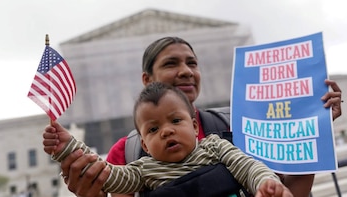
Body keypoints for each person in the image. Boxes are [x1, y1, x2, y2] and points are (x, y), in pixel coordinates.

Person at [52, 37, 343, 197]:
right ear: (147, 79)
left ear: (192, 124)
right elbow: (110, 177)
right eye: (171, 63)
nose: (186, 71)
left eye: (192, 63)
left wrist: (309, 126)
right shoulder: (128, 155)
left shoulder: (236, 127)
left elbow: (287, 190)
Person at [44, 82, 294, 197]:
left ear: (195, 126)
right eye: (153, 130)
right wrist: (68, 148)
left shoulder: (216, 146)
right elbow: (107, 174)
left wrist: (266, 184)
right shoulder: (142, 170)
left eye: (175, 121)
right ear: (144, 145)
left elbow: (247, 166)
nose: (166, 131)